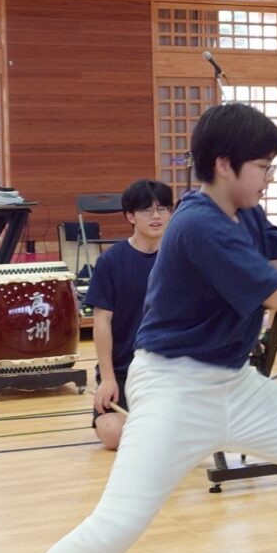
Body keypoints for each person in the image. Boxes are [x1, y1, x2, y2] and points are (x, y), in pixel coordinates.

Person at [0, 103, 277, 553]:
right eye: (262, 166)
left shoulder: (248, 216)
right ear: (225, 164)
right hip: (174, 388)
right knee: (114, 527)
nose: (268, 177)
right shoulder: (198, 222)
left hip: (236, 384)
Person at [85, 179, 173, 450]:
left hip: (169, 371)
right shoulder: (111, 262)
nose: (156, 216)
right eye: (147, 210)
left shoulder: (180, 258)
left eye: (163, 208)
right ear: (130, 216)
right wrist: (108, 378)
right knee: (111, 432)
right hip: (124, 370)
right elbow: (102, 321)